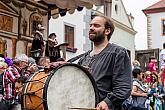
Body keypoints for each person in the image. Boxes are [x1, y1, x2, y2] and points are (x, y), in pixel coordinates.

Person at [78, 15, 132, 110]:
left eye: (96, 25)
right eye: (90, 25)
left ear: (107, 31)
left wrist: (108, 102)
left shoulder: (118, 53)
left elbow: (123, 87)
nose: (91, 28)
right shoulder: (83, 58)